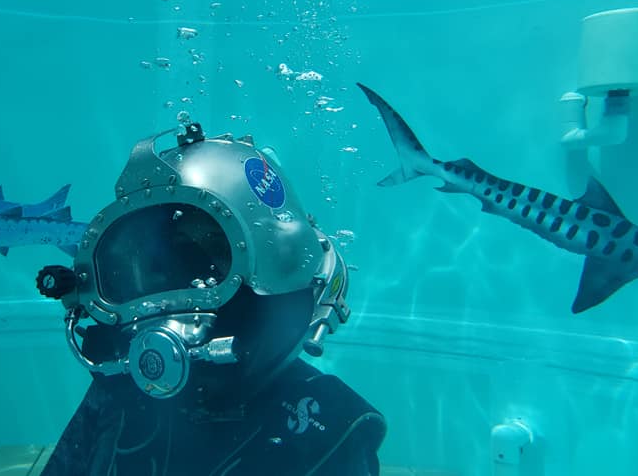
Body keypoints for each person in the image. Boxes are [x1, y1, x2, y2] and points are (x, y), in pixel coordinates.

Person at [36, 122, 386, 476]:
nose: (163, 303)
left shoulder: (327, 431)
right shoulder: (121, 393)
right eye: (150, 269)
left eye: (204, 259)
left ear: (267, 274)